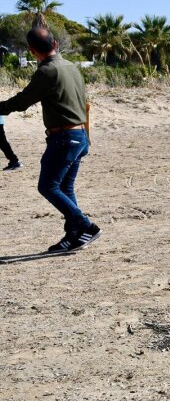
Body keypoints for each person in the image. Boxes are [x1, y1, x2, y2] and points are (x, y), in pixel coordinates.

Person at [0, 28, 101, 251]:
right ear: (55, 43)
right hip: (79, 135)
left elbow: (22, 101)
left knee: (48, 186)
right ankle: (73, 235)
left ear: (32, 50)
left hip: (64, 138)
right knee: (66, 187)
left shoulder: (47, 71)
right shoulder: (71, 67)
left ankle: (86, 226)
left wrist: (1, 108)